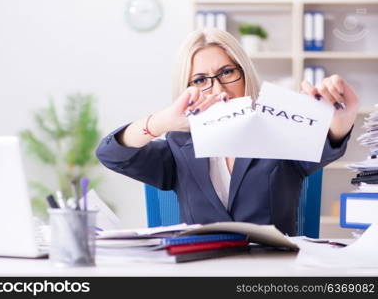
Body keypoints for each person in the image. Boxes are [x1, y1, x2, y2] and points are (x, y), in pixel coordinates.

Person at [96, 28, 359, 235]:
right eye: (200, 80)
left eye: (227, 72)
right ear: (187, 88)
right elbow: (111, 154)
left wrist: (341, 118)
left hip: (270, 275)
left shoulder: (279, 130)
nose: (218, 89)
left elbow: (327, 142)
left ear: (244, 74)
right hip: (202, 273)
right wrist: (162, 121)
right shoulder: (180, 145)